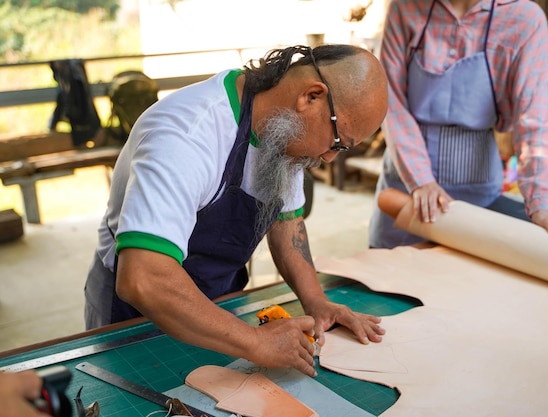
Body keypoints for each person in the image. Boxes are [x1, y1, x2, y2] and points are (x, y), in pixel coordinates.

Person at [84, 44, 388, 378]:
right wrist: (255, 342)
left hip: (218, 296)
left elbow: (288, 222)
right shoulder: (186, 134)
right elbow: (144, 279)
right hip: (136, 311)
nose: (330, 158)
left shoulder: (284, 130)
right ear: (311, 97)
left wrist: (316, 300)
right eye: (339, 142)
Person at [369, 0, 548, 249]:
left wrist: (542, 203)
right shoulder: (405, 7)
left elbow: (536, 117)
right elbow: (391, 102)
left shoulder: (524, 19)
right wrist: (421, 180)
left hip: (478, 191)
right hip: (405, 186)